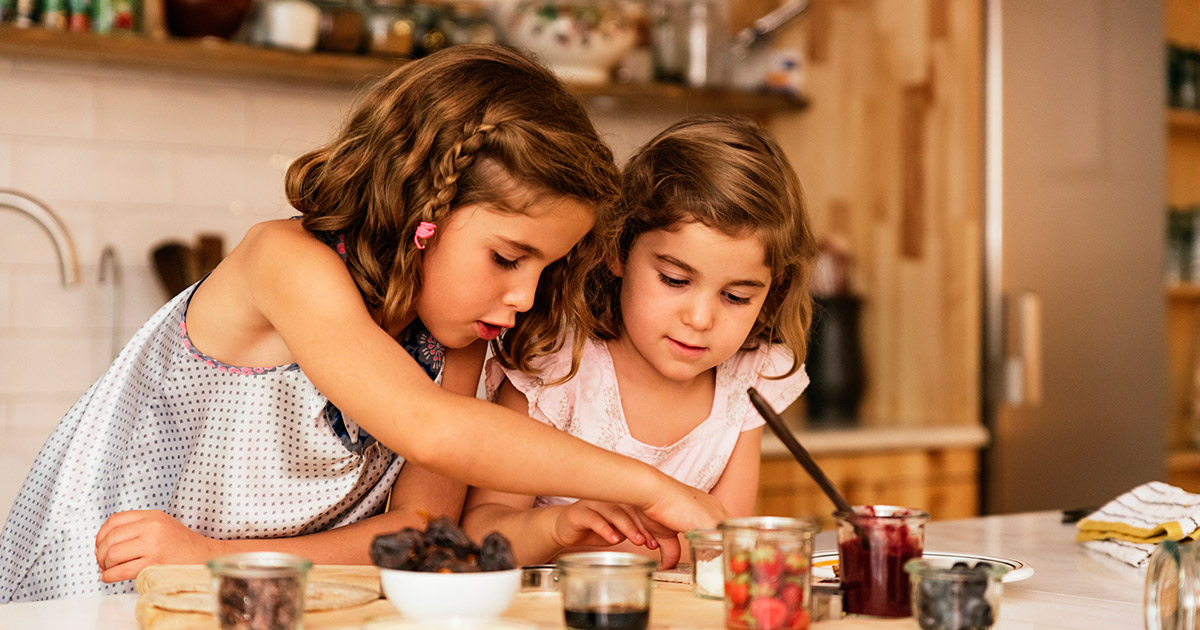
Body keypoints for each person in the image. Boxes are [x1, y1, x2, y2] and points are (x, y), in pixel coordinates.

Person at [0, 45, 726, 604]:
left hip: (242, 592)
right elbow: (432, 428)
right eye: (508, 257)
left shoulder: (456, 339)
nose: (524, 297)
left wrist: (217, 562)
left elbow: (412, 536)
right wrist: (649, 486)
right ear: (424, 211)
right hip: (97, 590)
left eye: (544, 269)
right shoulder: (281, 262)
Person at [460, 114, 818, 566]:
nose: (700, 318)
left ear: (773, 291)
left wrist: (645, 547)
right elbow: (481, 535)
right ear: (618, 250)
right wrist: (557, 529)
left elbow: (723, 539)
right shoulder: (554, 367)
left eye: (736, 296)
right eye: (674, 279)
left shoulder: (748, 379)